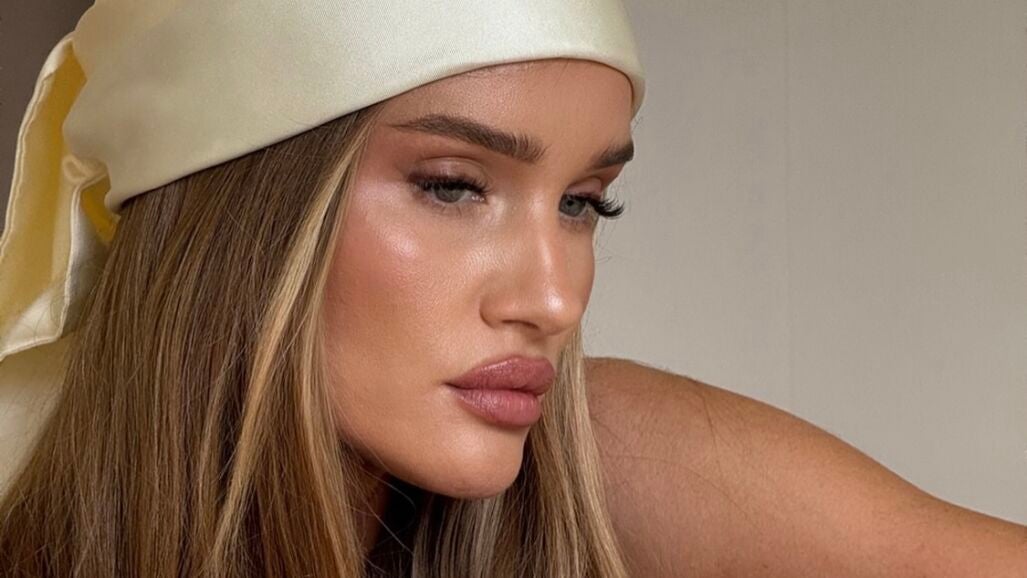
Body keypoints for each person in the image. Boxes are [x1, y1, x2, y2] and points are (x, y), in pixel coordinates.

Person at [0, 2, 1023, 577]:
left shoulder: (614, 461)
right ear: (239, 221)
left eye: (584, 202)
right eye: (454, 186)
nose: (555, 298)